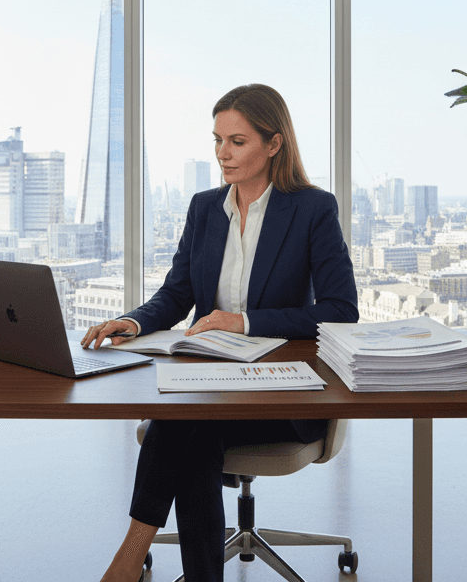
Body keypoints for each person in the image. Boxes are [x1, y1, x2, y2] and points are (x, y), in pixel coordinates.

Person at [80, 83, 359, 582]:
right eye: (217, 140)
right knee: (195, 424)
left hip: (281, 392)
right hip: (208, 382)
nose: (222, 154)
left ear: (274, 144)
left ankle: (128, 558)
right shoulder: (205, 207)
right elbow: (177, 292)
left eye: (237, 141)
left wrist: (245, 322)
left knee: (183, 423)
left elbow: (341, 310)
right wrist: (137, 320)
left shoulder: (312, 209)